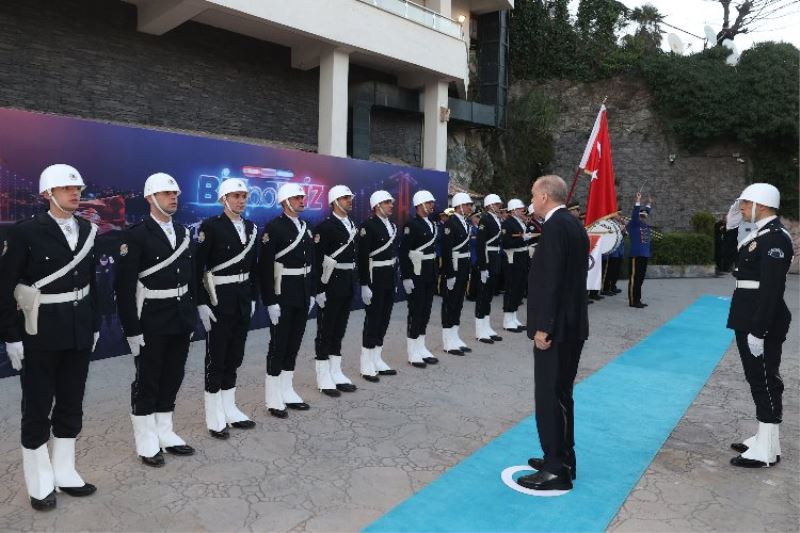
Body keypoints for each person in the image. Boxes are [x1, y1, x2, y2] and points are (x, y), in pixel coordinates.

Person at [0, 164, 99, 510]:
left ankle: (65, 471)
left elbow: (91, 283)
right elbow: (5, 287)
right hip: (38, 332)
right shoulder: (25, 232)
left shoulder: (88, 229)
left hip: (78, 330)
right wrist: (11, 336)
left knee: (71, 404)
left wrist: (95, 323)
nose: (75, 193)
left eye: (78, 188)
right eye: (66, 188)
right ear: (47, 194)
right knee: (38, 408)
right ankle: (40, 482)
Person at [115, 172, 197, 467]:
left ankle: (166, 432)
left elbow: (192, 278)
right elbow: (123, 288)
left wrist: (192, 314)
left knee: (173, 376)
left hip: (179, 317)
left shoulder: (185, 233)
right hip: (150, 318)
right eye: (165, 193)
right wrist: (131, 330)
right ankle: (147, 441)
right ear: (150, 198)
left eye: (174, 193)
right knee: (147, 380)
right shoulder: (136, 235)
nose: (172, 197)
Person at [518, 175, 589, 495]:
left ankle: (555, 468)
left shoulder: (556, 227)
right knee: (562, 394)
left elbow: (552, 282)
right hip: (573, 325)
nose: (531, 199)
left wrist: (543, 326)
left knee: (548, 397)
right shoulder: (573, 224)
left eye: (533, 194)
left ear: (545, 196)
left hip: (556, 328)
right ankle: (564, 457)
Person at [724, 183, 793, 468]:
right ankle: (766, 438)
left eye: (744, 204)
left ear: (761, 204)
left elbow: (771, 289)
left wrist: (759, 329)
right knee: (759, 379)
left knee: (764, 381)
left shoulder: (775, 238)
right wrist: (730, 230)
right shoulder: (760, 234)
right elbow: (733, 262)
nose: (741, 208)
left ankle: (766, 451)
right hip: (748, 315)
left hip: (759, 319)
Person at [194, 178, 259, 439]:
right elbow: (197, 268)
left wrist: (253, 297)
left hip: (242, 299)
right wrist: (201, 302)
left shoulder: (251, 227)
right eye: (235, 196)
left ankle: (230, 407)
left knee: (235, 355)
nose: (240, 200)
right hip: (219, 300)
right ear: (223, 199)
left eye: (243, 196)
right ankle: (214, 414)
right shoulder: (211, 227)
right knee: (217, 356)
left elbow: (253, 266)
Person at [259, 182, 316, 419]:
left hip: (302, 293)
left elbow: (311, 262)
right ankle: (273, 397)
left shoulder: (306, 226)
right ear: (285, 202)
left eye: (303, 197)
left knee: (293, 344)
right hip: (283, 295)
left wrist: (311, 292)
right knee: (278, 345)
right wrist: (270, 300)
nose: (302, 201)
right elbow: (265, 267)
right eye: (297, 198)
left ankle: (287, 389)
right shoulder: (274, 227)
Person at [312, 185, 359, 396]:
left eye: (350, 197)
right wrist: (319, 289)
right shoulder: (325, 227)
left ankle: (335, 371)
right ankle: (323, 376)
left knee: (339, 329)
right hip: (330, 283)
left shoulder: (351, 224)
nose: (350, 200)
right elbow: (316, 261)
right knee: (326, 329)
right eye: (346, 198)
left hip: (347, 282)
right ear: (334, 202)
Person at [357, 190, 399, 382]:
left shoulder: (392, 226)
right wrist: (365, 284)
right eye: (387, 202)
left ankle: (377, 358)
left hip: (389, 277)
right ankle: (366, 362)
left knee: (384, 319)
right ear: (376, 206)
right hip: (375, 278)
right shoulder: (368, 226)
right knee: (373, 320)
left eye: (391, 202)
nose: (391, 205)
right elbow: (363, 258)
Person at [400, 190, 439, 368]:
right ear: (419, 205)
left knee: (425, 311)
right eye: (428, 202)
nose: (432, 205)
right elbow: (404, 252)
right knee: (416, 311)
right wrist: (406, 277)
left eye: (432, 202)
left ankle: (421, 346)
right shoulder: (411, 225)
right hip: (417, 273)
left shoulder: (431, 224)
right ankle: (412, 350)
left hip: (429, 272)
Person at [440, 193, 474, 355]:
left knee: (459, 301)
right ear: (459, 205)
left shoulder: (464, 222)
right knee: (450, 302)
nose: (470, 207)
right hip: (454, 265)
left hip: (463, 265)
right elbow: (446, 251)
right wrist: (450, 273)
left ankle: (455, 336)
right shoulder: (450, 223)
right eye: (467, 204)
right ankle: (447, 340)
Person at [474, 194, 504, 344]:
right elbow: (480, 244)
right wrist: (483, 266)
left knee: (489, 295)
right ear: (490, 205)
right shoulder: (485, 219)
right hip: (487, 258)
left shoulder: (495, 219)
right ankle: (480, 330)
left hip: (494, 258)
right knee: (483, 295)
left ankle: (486, 326)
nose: (499, 206)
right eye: (497, 204)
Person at [501, 199, 532, 332]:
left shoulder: (520, 222)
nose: (522, 211)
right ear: (513, 210)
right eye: (519, 209)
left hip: (522, 257)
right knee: (512, 288)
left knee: (519, 288)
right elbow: (506, 243)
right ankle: (507, 320)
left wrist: (524, 238)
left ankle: (513, 316)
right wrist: (522, 239)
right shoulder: (508, 223)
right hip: (513, 258)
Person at [626, 192, 652, 308]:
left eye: (644, 216)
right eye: (641, 216)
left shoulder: (644, 225)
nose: (643, 217)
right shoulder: (634, 223)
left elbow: (646, 211)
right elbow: (635, 214)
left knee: (640, 278)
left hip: (644, 255)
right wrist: (638, 200)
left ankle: (638, 299)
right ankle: (633, 301)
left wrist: (649, 204)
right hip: (636, 255)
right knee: (635, 278)